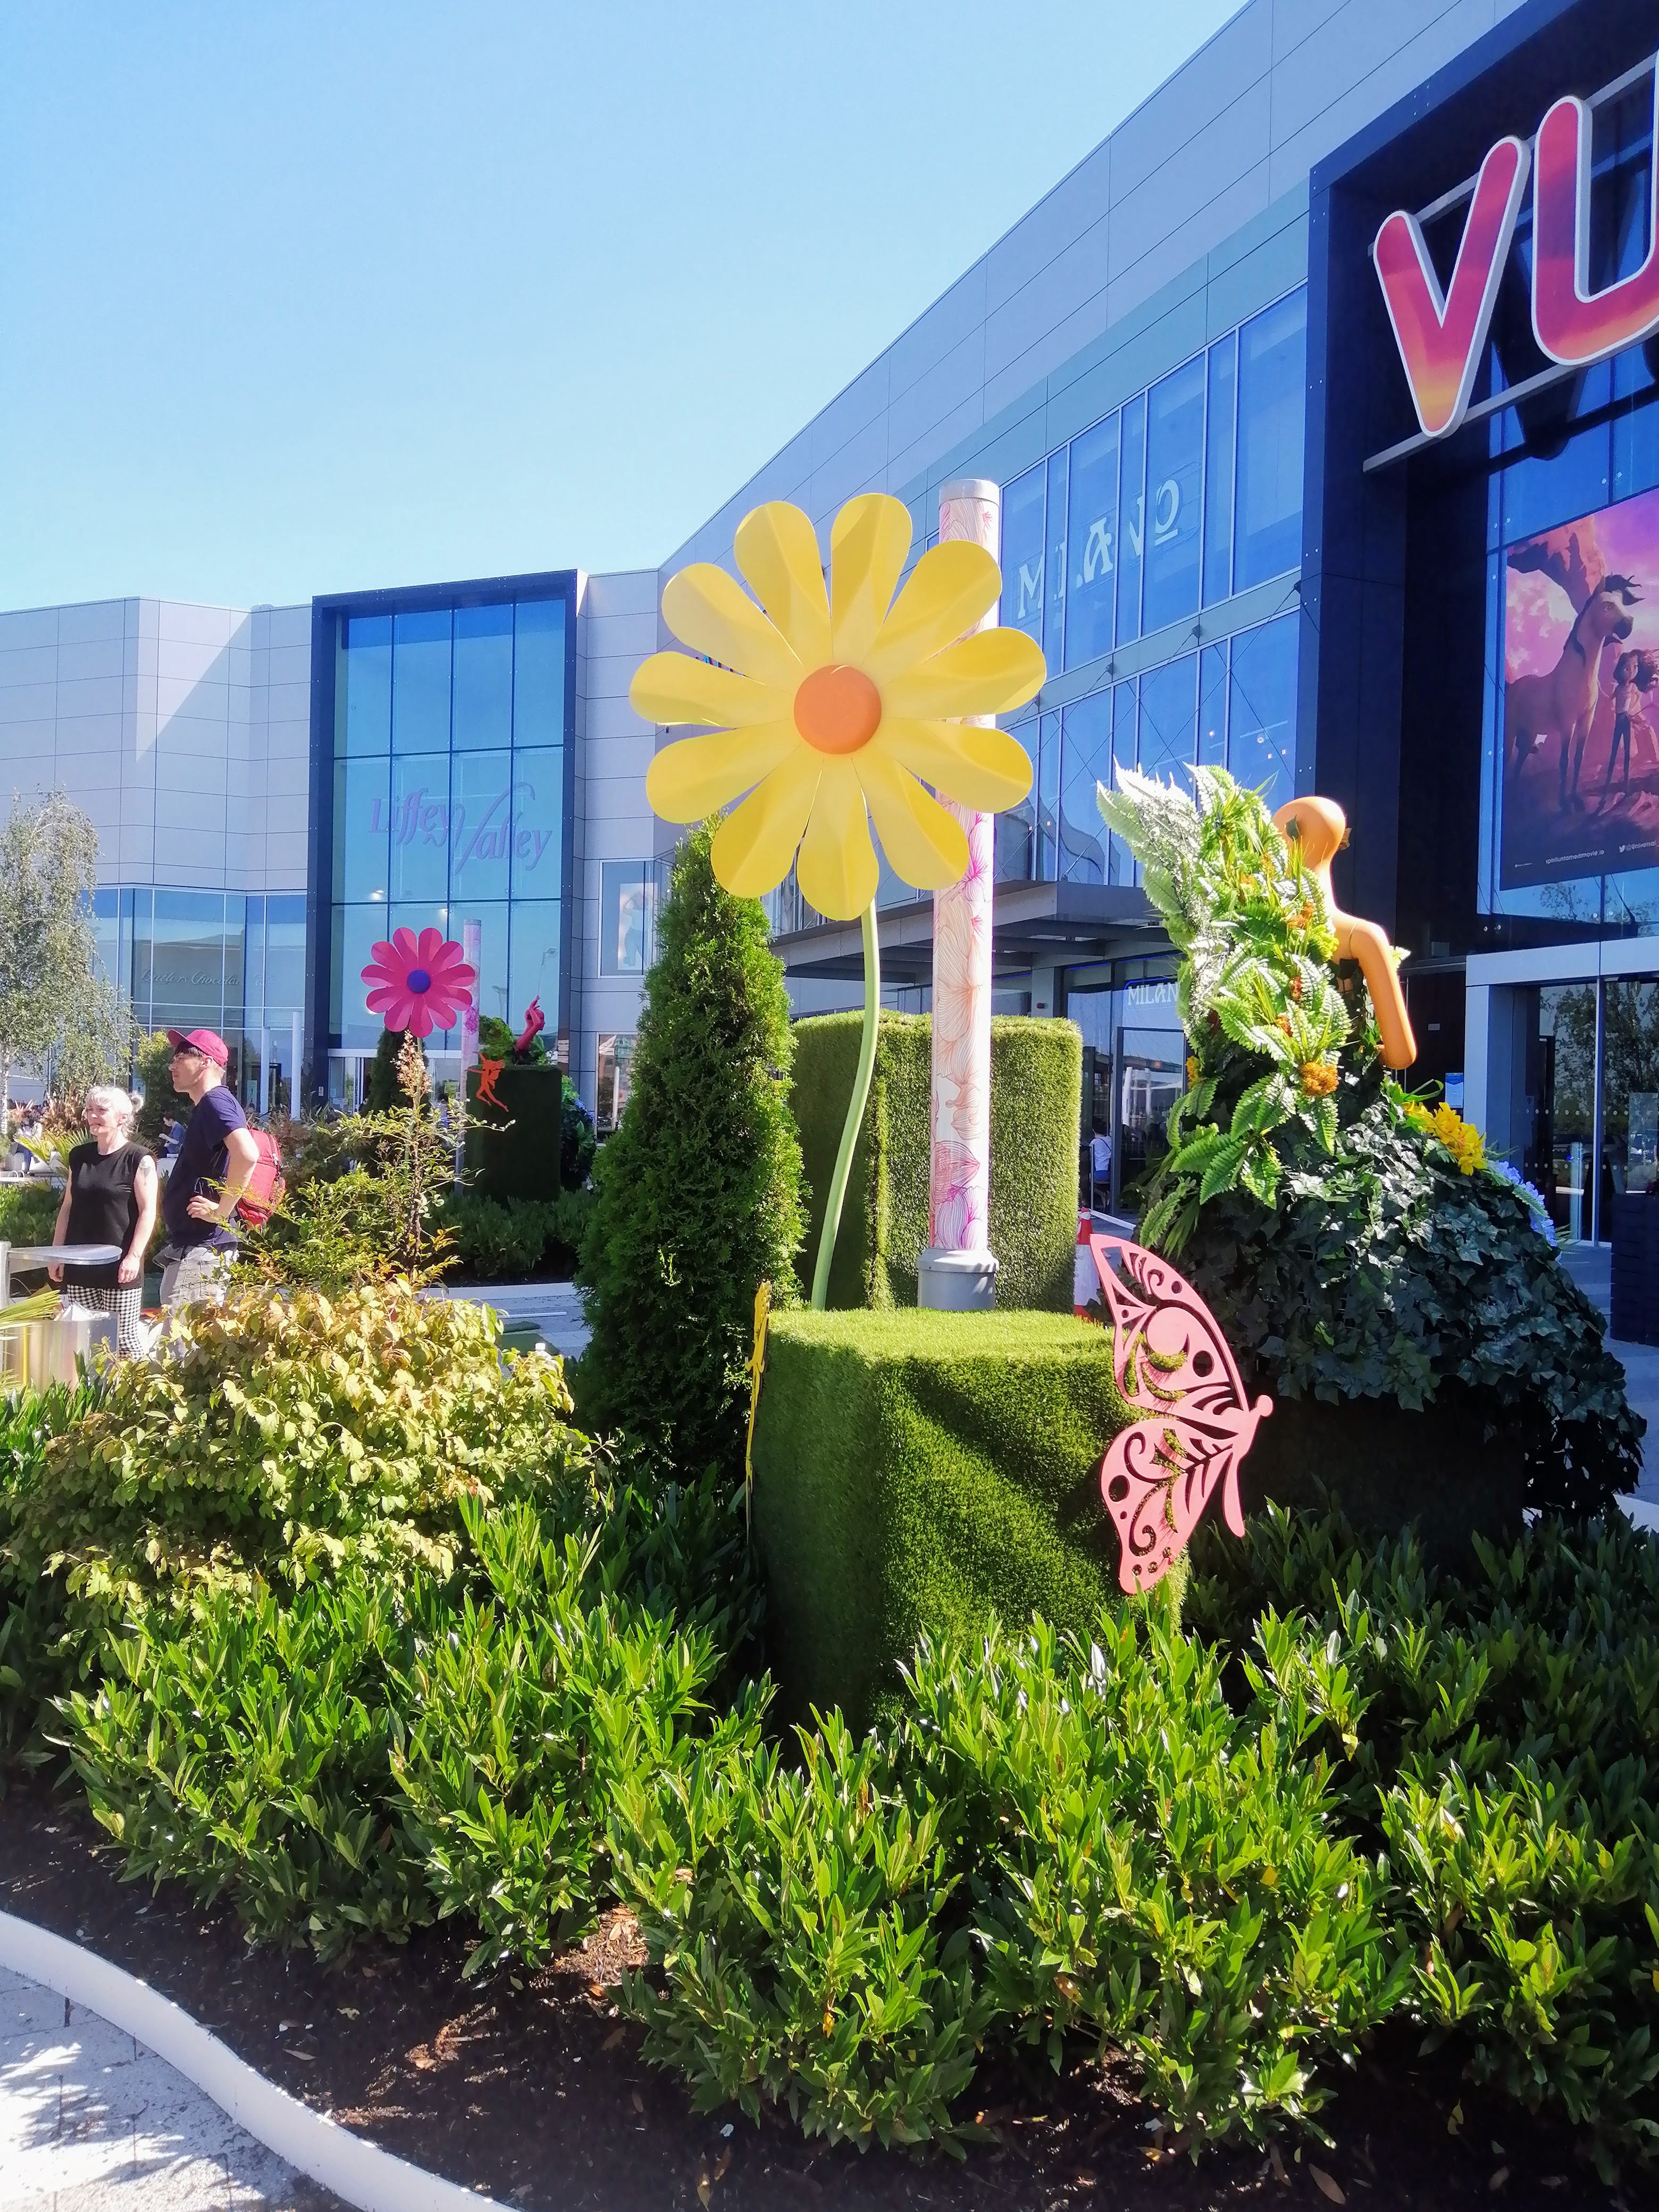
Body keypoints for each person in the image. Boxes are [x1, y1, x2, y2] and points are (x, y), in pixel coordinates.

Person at [46, 1085, 158, 1356]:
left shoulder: (139, 1159)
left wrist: (134, 1257)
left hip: (120, 1268)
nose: (93, 1116)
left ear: (122, 1117)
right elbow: (68, 1207)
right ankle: (92, 1398)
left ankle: (139, 1397)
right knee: (83, 1343)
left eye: (101, 1110)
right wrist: (57, 1254)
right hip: (80, 1266)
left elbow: (148, 1212)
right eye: (90, 1110)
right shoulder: (79, 1156)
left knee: (124, 1340)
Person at [155, 1029, 259, 1309]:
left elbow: (248, 1154)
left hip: (202, 1249)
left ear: (206, 1062)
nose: (172, 1065)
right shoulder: (210, 1105)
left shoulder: (215, 1102)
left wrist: (221, 1213)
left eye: (181, 1056)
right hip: (195, 1247)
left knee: (182, 1348)